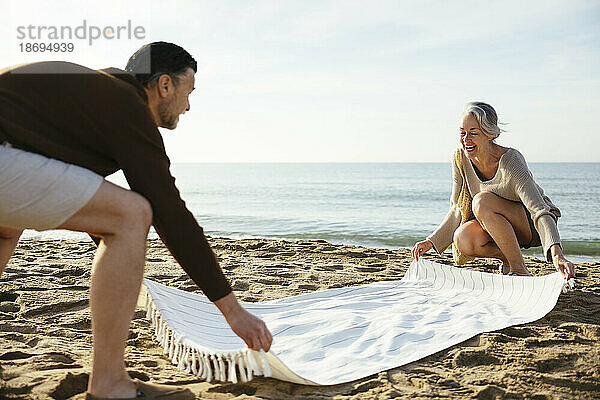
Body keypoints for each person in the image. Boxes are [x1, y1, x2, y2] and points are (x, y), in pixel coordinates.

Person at [0, 42, 272, 399]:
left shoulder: (95, 96)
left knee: (6, 229)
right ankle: (111, 385)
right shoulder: (125, 105)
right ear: (164, 85)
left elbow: (80, 199)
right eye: (188, 92)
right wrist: (232, 310)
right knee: (133, 212)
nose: (188, 106)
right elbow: (168, 211)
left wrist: (126, 269)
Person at [411, 102, 575, 280]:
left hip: (530, 225)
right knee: (463, 238)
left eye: (473, 133)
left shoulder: (511, 160)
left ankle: (519, 269)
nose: (466, 139)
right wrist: (431, 241)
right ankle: (508, 257)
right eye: (462, 133)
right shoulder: (460, 159)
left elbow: (539, 209)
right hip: (495, 225)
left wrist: (557, 253)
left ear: (490, 134)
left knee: (482, 201)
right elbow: (457, 208)